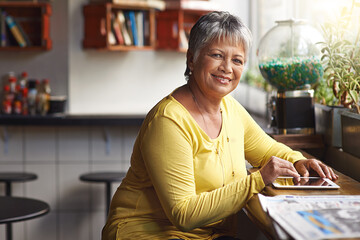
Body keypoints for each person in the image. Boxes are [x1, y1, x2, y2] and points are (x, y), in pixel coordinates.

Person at [102, 11, 338, 240]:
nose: (227, 67)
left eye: (237, 60)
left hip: (208, 234)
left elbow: (267, 151)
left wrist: (298, 160)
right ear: (191, 58)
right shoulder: (169, 121)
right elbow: (183, 214)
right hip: (148, 233)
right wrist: (257, 180)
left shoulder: (230, 108)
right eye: (216, 55)